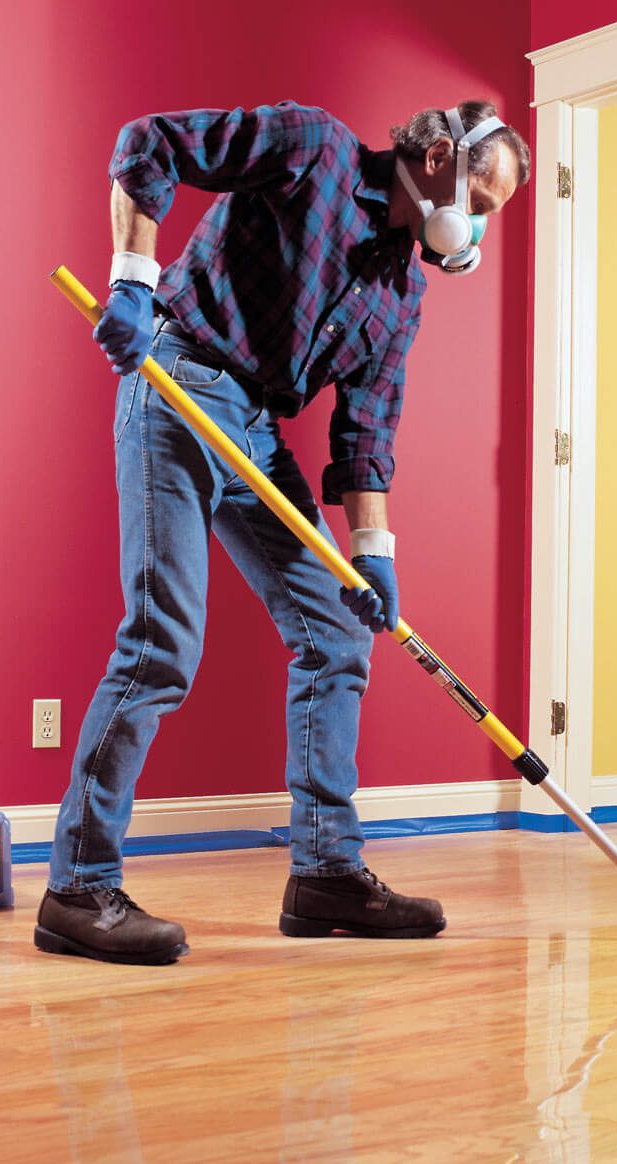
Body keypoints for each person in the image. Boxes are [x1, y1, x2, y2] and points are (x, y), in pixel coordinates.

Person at [34, 99, 530, 965]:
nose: (475, 227)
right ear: (443, 155)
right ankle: (76, 887)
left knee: (338, 634)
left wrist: (372, 553)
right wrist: (131, 281)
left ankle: (326, 875)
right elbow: (151, 145)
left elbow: (365, 432)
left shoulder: (401, 290)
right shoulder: (316, 150)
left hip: (254, 428)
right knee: (162, 642)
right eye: (480, 203)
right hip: (177, 377)